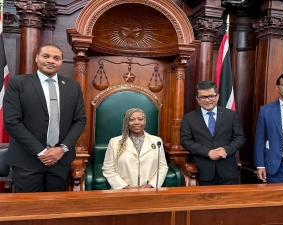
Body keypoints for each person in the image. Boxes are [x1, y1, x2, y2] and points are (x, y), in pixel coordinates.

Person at [3, 44, 86, 192]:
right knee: (28, 209)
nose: (51, 61)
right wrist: (42, 152)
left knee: (54, 208)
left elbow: (79, 120)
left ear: (61, 62)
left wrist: (62, 149)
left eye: (56, 58)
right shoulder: (18, 83)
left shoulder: (73, 86)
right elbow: (12, 121)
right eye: (46, 56)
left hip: (60, 160)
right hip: (26, 160)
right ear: (37, 58)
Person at [180, 81, 245, 185]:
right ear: (197, 99)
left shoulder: (231, 115)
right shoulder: (189, 118)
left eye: (211, 96)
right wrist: (208, 152)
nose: (207, 100)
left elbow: (239, 138)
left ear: (218, 96)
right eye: (203, 97)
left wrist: (225, 149)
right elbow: (185, 141)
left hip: (228, 170)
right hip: (203, 171)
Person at [102, 108, 168, 189]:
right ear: (126, 123)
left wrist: (151, 185)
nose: (137, 122)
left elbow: (162, 167)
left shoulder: (156, 141)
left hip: (149, 191)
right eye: (132, 120)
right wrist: (125, 187)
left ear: (145, 121)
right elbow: (108, 169)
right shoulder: (114, 142)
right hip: (122, 192)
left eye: (140, 119)